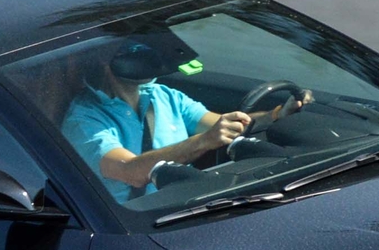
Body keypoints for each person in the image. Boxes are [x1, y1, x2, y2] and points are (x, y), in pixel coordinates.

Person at [60, 44, 256, 202]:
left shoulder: (162, 95)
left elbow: (223, 125)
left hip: (186, 203)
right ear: (104, 57)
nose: (146, 53)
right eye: (133, 47)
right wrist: (203, 141)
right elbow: (130, 170)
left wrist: (276, 115)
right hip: (138, 221)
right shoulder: (84, 121)